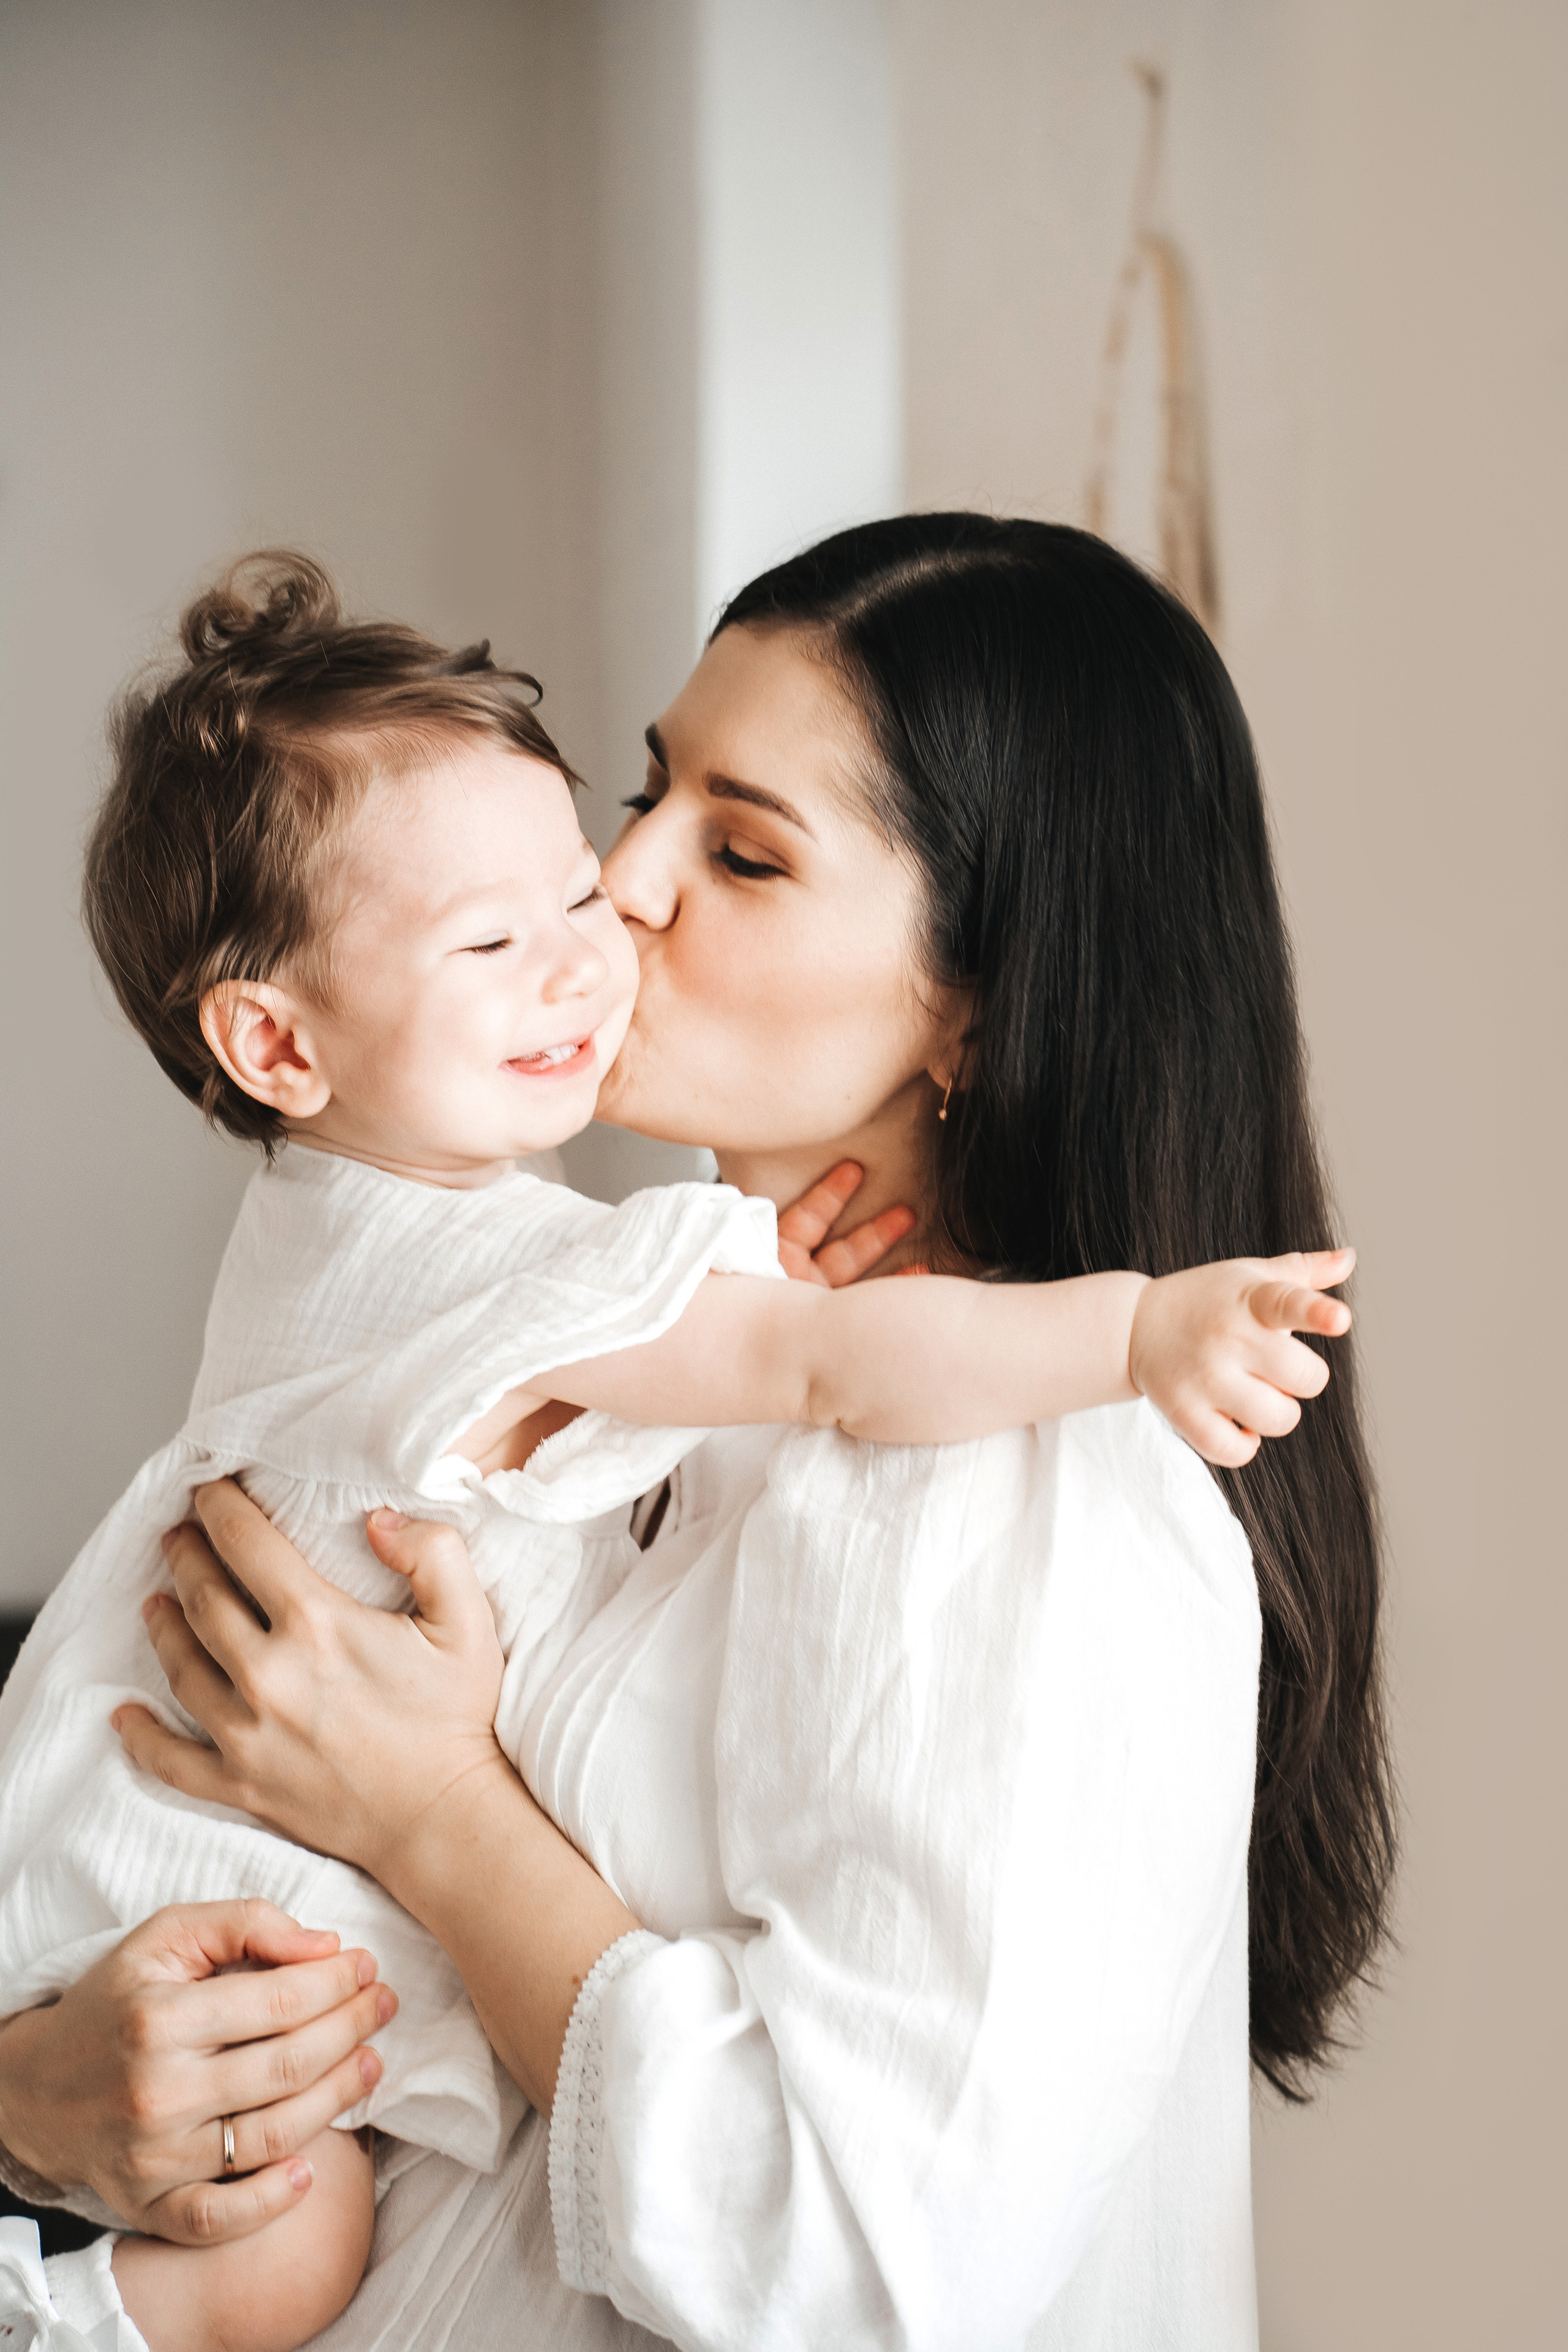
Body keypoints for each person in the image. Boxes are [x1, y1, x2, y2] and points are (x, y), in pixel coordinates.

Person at [0, 517, 1393, 2351]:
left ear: (974, 1003)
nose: (617, 879)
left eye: (739, 850)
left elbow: (856, 2273)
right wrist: (46, 2094)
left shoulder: (1033, 1504)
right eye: (647, 791)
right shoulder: (643, 1378)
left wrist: (436, 1820)